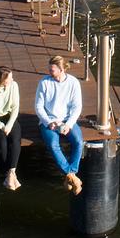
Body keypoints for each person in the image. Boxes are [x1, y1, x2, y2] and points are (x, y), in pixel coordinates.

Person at [35, 54, 85, 194]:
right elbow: (38, 107)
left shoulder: (73, 83)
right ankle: (72, 176)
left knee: (78, 142)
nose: (50, 73)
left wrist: (68, 124)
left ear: (62, 70)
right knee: (52, 144)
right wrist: (49, 122)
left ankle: (71, 174)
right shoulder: (44, 83)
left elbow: (77, 107)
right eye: (50, 70)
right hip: (49, 120)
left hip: (67, 119)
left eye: (53, 70)